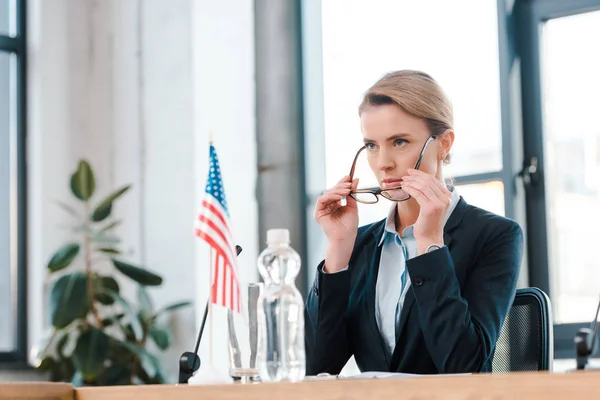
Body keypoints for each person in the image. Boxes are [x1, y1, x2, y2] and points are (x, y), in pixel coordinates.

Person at [304, 70, 523, 375]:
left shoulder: (494, 235)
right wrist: (338, 251)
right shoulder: (361, 244)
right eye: (371, 145)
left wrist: (431, 244)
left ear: (444, 143)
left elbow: (464, 365)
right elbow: (316, 367)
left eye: (400, 142)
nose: (383, 163)